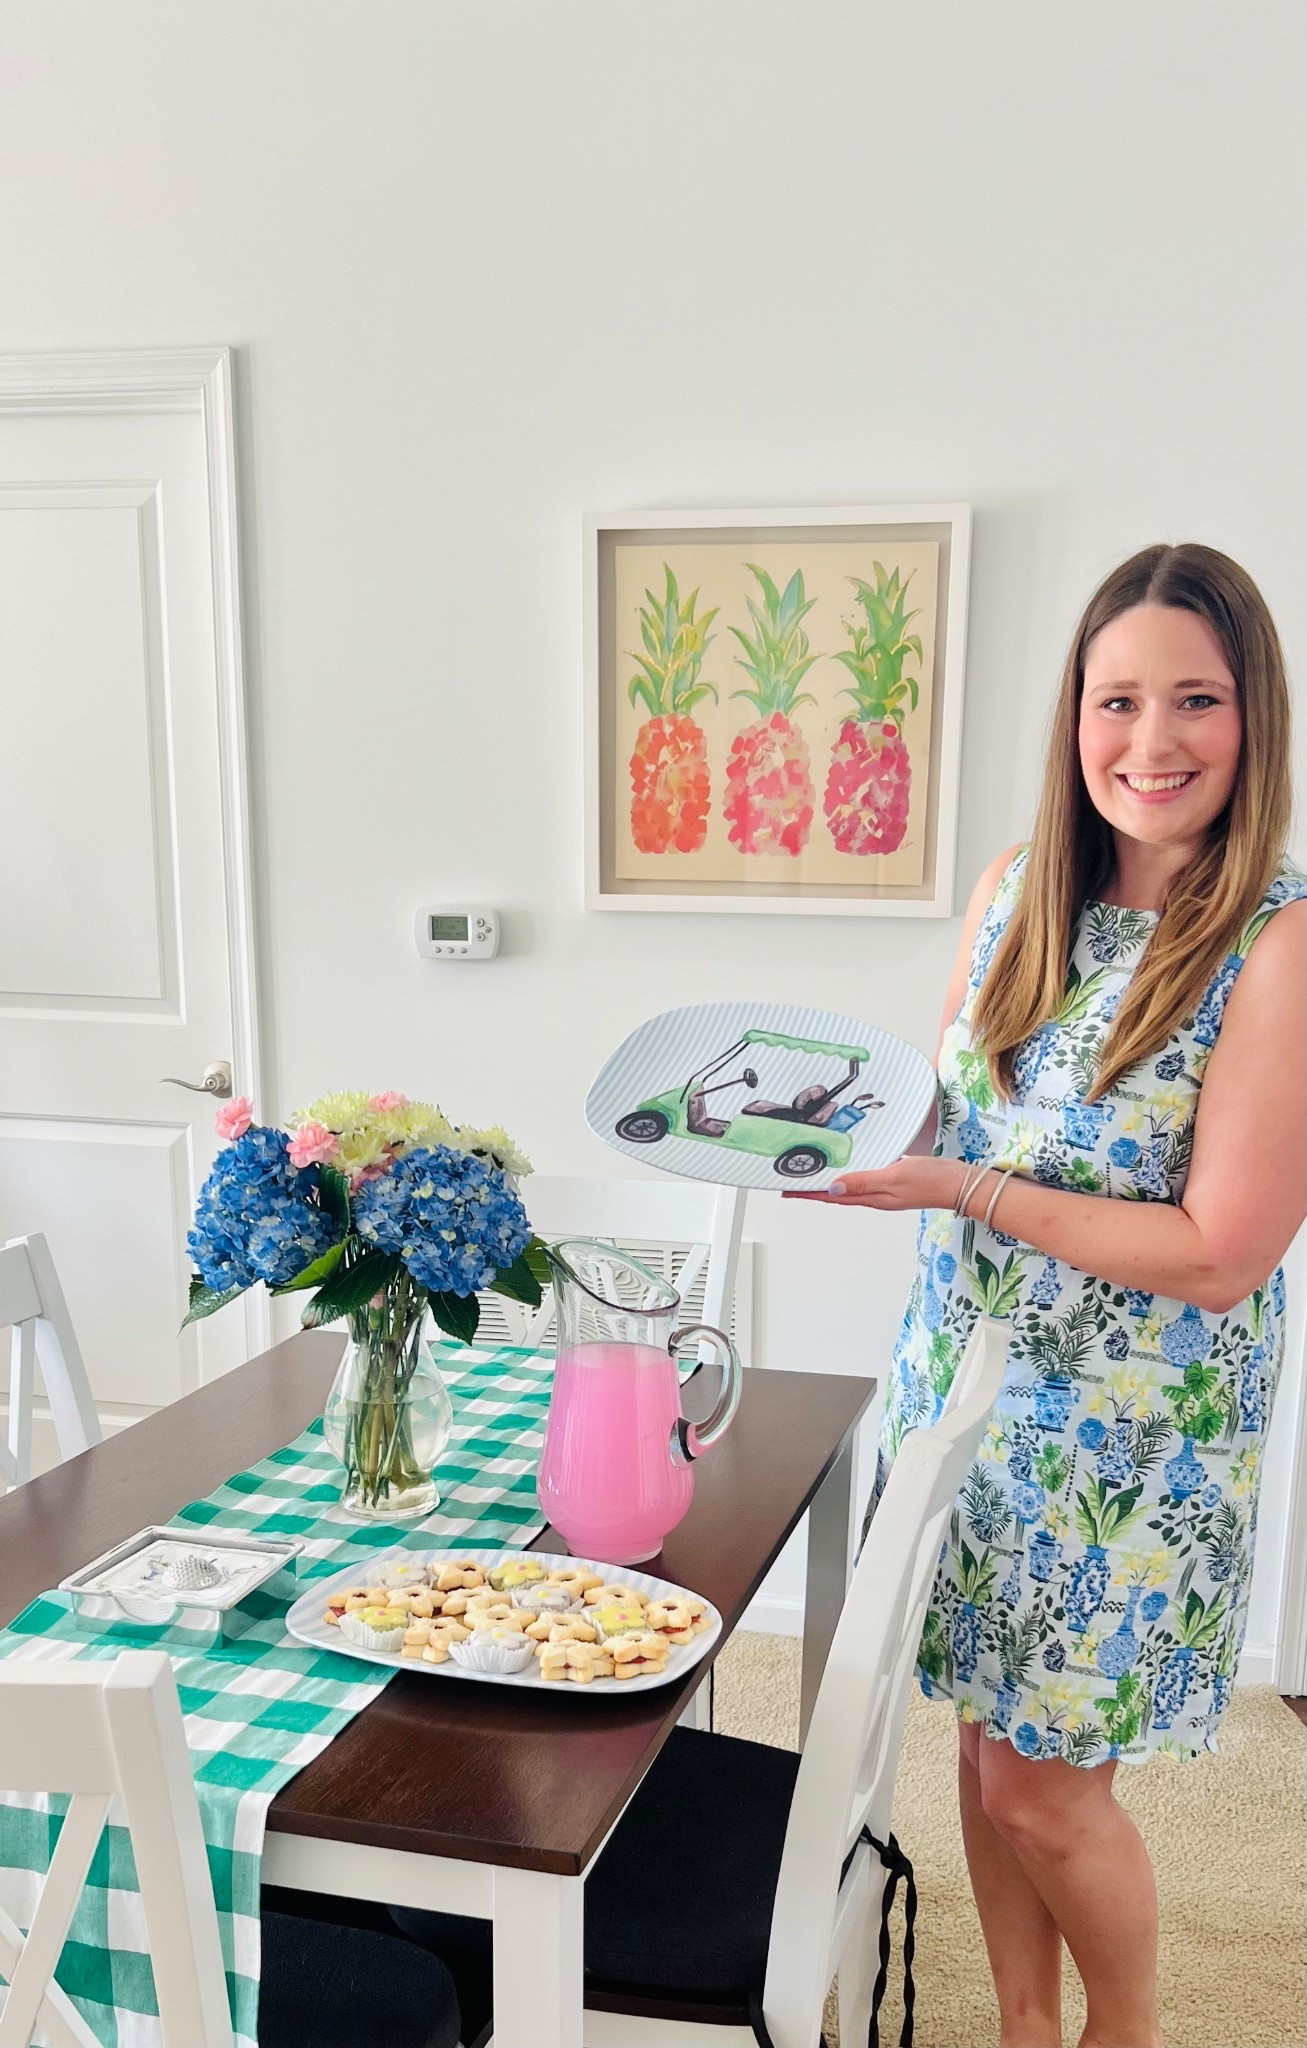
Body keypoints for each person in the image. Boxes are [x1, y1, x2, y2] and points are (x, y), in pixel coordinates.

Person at [787, 542, 1307, 2048]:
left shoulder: (1277, 944)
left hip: (1133, 1434)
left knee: (1047, 1785)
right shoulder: (1018, 887)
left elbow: (1223, 1248)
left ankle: (1123, 2033)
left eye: (1196, 702)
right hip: (965, 1378)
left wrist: (959, 1191)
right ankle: (1025, 2025)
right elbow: (952, 1111)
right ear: (1074, 716)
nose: (1151, 744)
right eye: (1118, 700)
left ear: (1253, 718)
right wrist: (811, 1133)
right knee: (978, 1732)